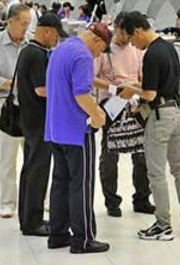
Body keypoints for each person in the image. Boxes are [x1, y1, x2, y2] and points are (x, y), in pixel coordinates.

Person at [119, 11, 180, 241]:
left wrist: (131, 90)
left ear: (138, 32)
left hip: (160, 117)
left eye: (132, 39)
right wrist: (137, 84)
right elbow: (161, 83)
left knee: (156, 172)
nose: (133, 44)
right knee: (179, 167)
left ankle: (163, 225)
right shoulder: (169, 47)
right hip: (177, 112)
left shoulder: (151, 54)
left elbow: (150, 93)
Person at [45, 23, 111, 254]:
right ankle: (83, 240)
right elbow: (81, 93)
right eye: (101, 49)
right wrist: (97, 115)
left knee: (60, 183)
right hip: (76, 131)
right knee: (81, 184)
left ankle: (57, 235)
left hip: (55, 128)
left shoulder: (61, 49)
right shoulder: (83, 55)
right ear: (96, 40)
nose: (99, 55)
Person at [92, 13, 154, 218]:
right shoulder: (104, 49)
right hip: (112, 103)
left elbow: (143, 76)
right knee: (110, 155)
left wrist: (137, 89)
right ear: (115, 28)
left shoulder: (137, 48)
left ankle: (142, 198)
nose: (126, 38)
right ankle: (111, 201)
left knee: (141, 153)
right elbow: (91, 78)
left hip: (136, 102)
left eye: (129, 35)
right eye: (122, 33)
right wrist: (115, 88)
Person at [16, 13, 67, 236]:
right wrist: (67, 93)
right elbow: (42, 90)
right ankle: (33, 222)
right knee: (38, 170)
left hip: (29, 119)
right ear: (47, 31)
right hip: (39, 121)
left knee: (30, 169)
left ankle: (28, 217)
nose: (56, 40)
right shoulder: (37, 55)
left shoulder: (27, 50)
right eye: (56, 35)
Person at [0, 3, 31, 218]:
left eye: (29, 22)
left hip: (31, 108)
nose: (26, 27)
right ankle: (8, 203)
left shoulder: (31, 44)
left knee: (34, 157)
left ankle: (36, 199)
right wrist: (17, 84)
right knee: (8, 158)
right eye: (23, 22)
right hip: (8, 107)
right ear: (10, 21)